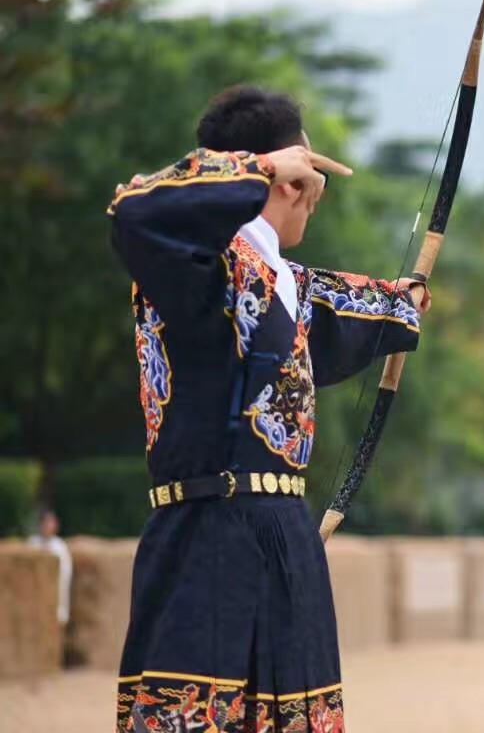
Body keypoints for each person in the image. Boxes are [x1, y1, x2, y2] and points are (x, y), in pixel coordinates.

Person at [109, 86, 430, 732]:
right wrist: (257, 170)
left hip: (283, 531)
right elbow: (131, 209)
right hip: (207, 524)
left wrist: (407, 302)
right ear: (296, 177)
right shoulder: (195, 265)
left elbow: (354, 312)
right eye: (311, 176)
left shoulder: (286, 281)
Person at [27, 508, 72, 630]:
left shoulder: (61, 547)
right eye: (45, 523)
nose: (47, 526)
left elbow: (65, 575)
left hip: (56, 603)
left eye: (50, 522)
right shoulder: (32, 544)